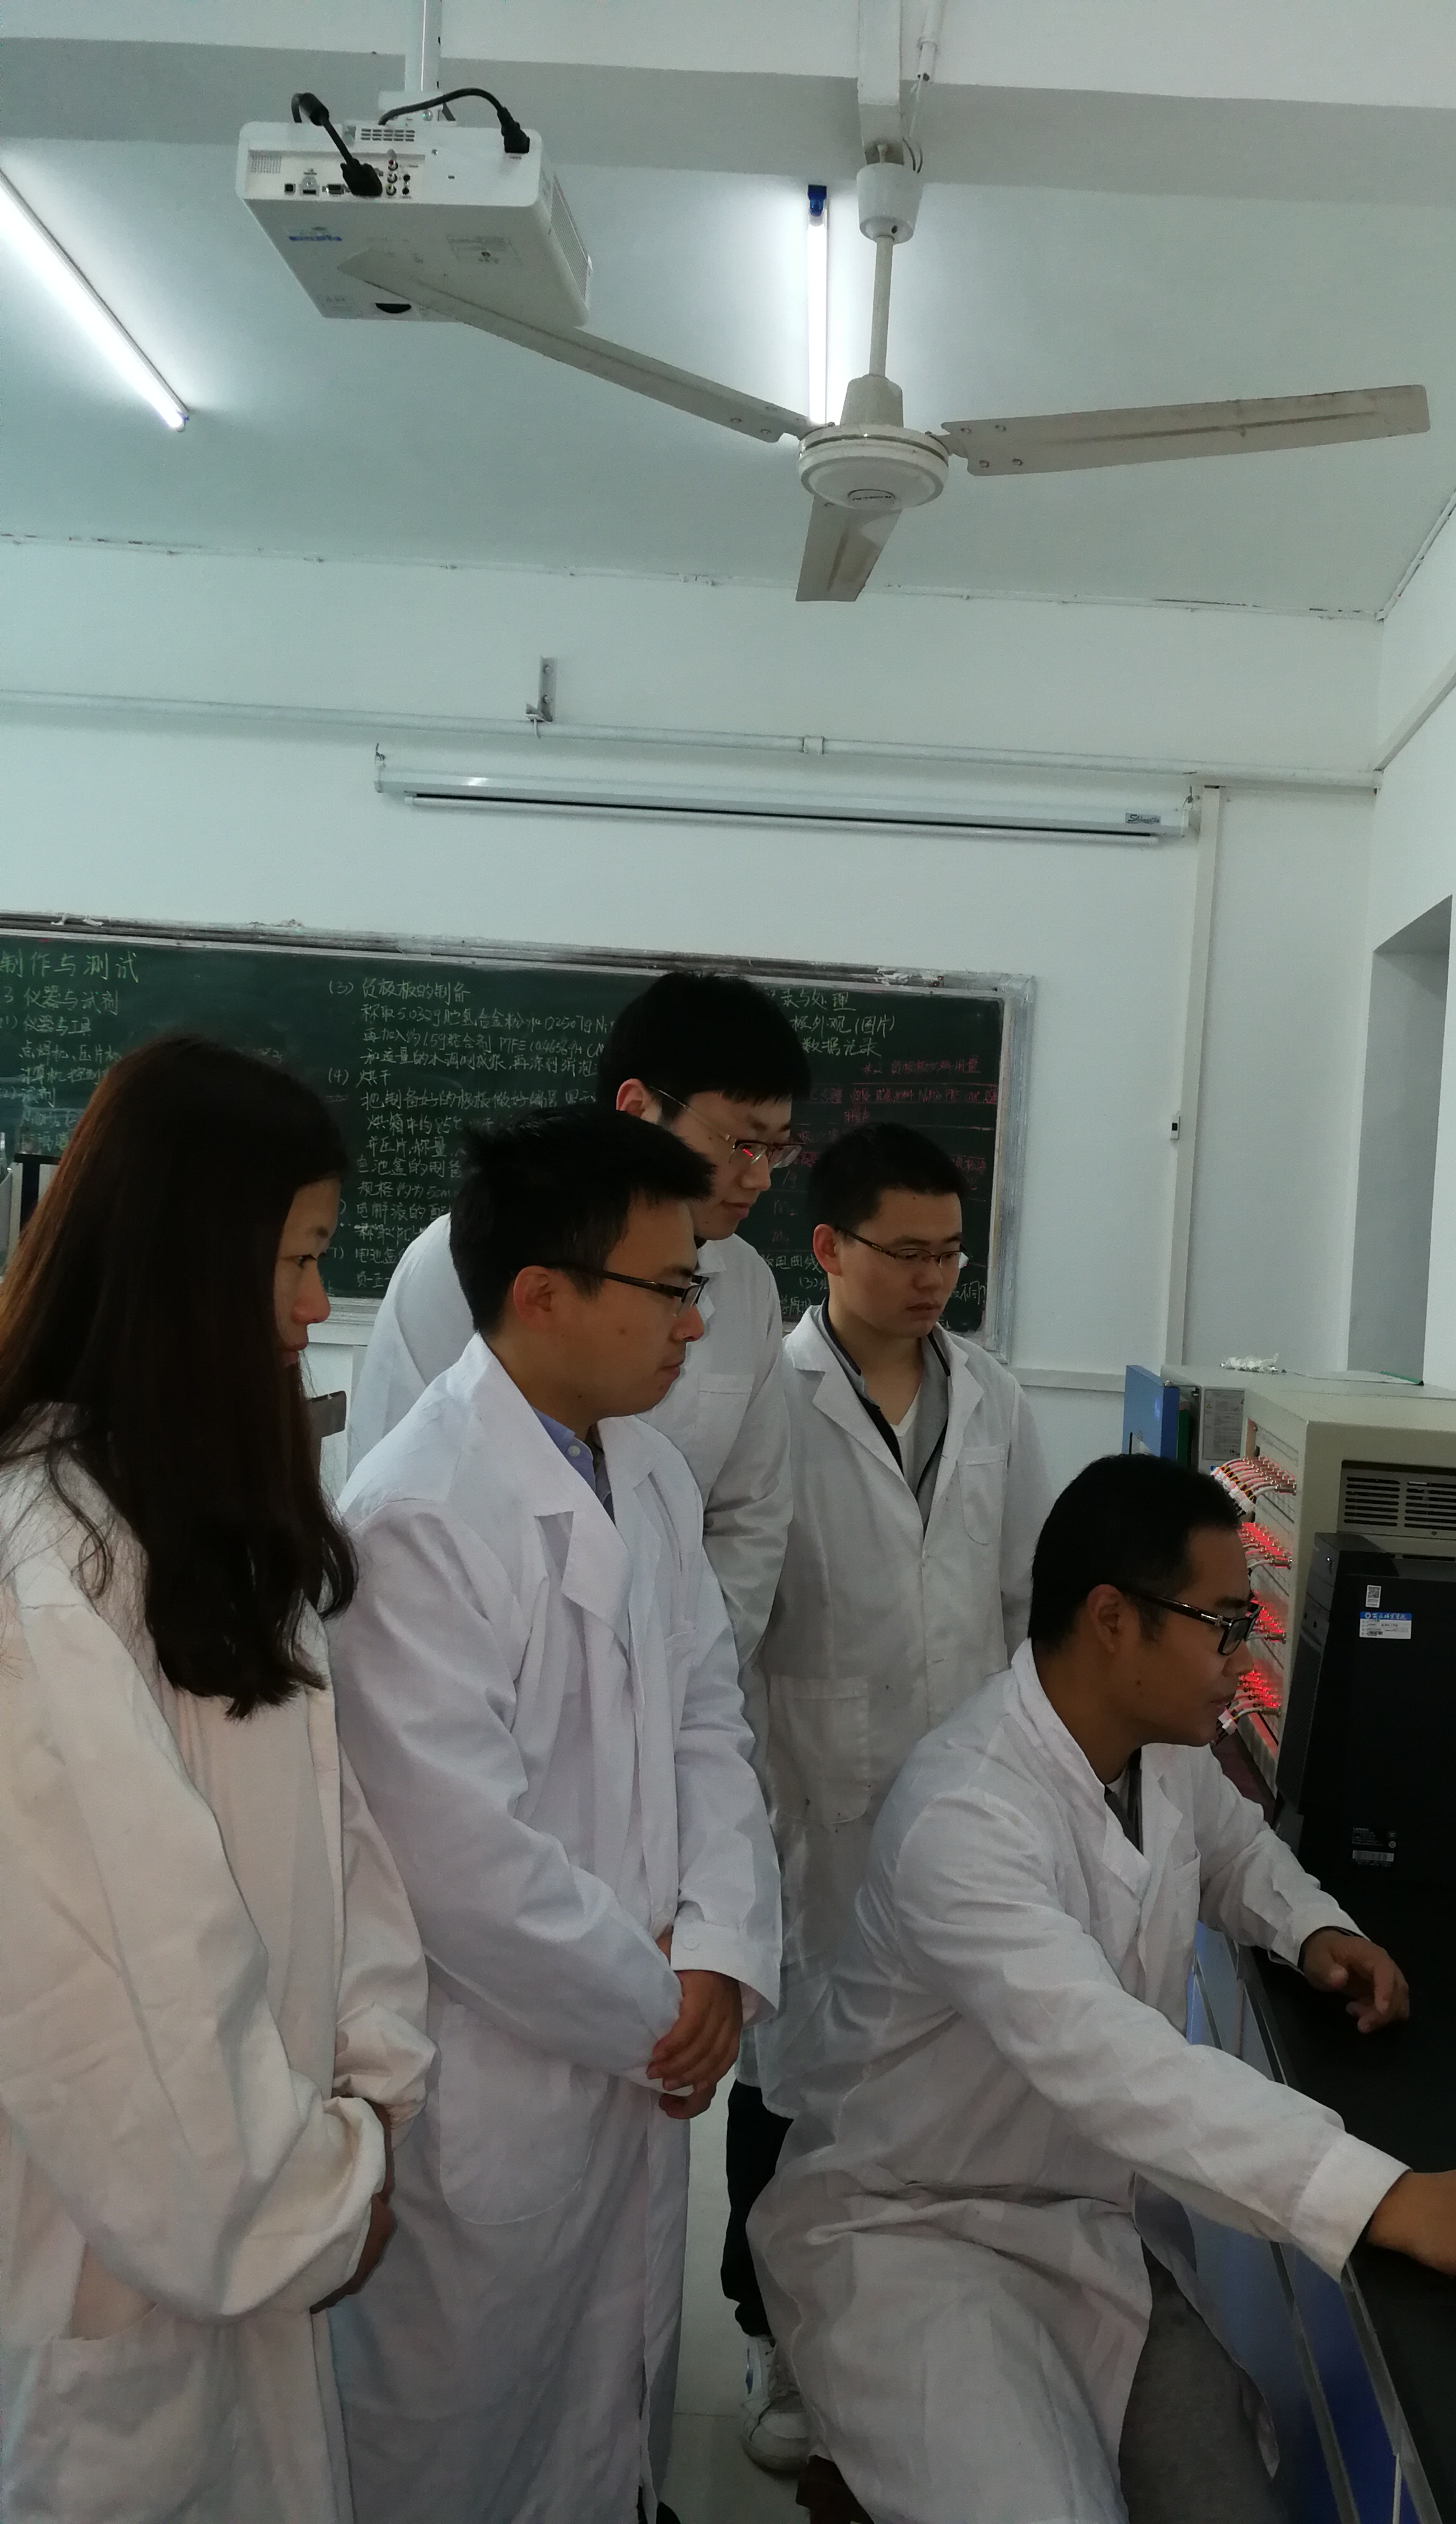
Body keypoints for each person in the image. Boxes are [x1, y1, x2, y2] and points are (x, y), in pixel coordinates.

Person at [751, 1453, 1456, 2524]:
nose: (1242, 1655)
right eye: (1223, 1623)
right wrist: (1394, 2200)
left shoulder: (1155, 1747)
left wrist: (1313, 1927)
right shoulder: (966, 1815)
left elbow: (1235, 1852)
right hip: (915, 2229)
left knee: (1224, 2497)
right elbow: (1114, 2061)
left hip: (1088, 2224)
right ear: (1113, 1620)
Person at [326, 1104, 781, 2524]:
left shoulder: (643, 1468)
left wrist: (719, 1946)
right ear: (542, 1292)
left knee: (609, 2407)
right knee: (461, 2441)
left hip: (637, 2039)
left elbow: (709, 1717)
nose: (693, 1325)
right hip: (497, 2072)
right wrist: (659, 2001)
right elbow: (459, 1860)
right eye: (671, 1287)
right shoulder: (417, 1512)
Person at [0, 1033, 433, 2524]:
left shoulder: (206, 1520)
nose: (317, 1305)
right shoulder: (49, 1571)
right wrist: (310, 2191)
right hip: (126, 2253)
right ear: (190, 1267)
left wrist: (373, 2083)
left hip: (256, 2192)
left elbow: (337, 1835)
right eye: (298, 1258)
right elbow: (117, 1989)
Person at [730, 1123, 1053, 2473]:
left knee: (932, 2072)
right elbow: (737, 1615)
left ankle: (907, 2320)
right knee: (790, 2073)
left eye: (950, 1254)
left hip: (965, 1800)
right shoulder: (769, 1393)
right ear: (828, 1247)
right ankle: (773, 2332)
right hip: (812, 1793)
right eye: (905, 1251)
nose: (932, 1279)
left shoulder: (995, 1397)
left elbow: (1026, 1600)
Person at [347, 967, 810, 1667]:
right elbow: (399, 1485)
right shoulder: (458, 1261)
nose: (761, 1175)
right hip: (487, 1655)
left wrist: (675, 1671)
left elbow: (752, 1515)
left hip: (680, 1670)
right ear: (639, 1107)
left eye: (777, 1149)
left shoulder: (748, 1285)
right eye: (743, 1143)